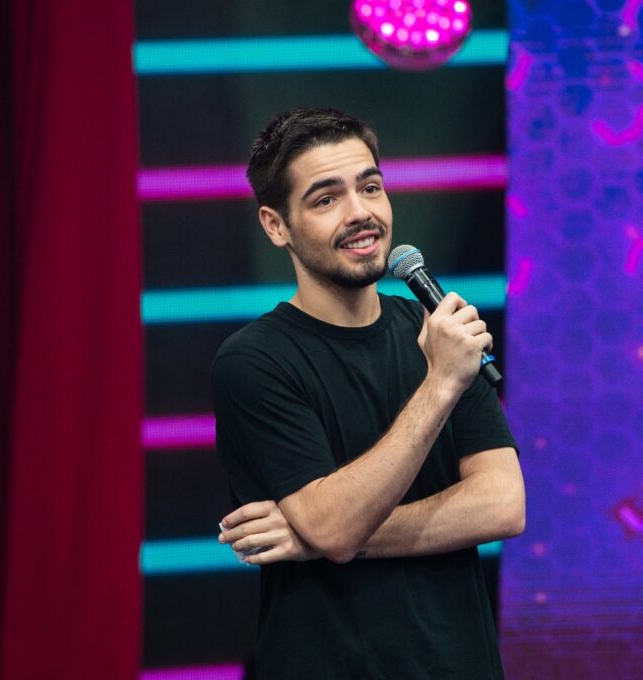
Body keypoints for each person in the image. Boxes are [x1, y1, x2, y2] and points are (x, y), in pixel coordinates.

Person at [213, 107, 525, 679]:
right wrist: (441, 383)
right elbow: (334, 526)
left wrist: (316, 538)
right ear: (276, 226)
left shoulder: (440, 331)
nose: (360, 213)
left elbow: (503, 504)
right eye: (326, 199)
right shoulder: (254, 361)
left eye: (371, 187)